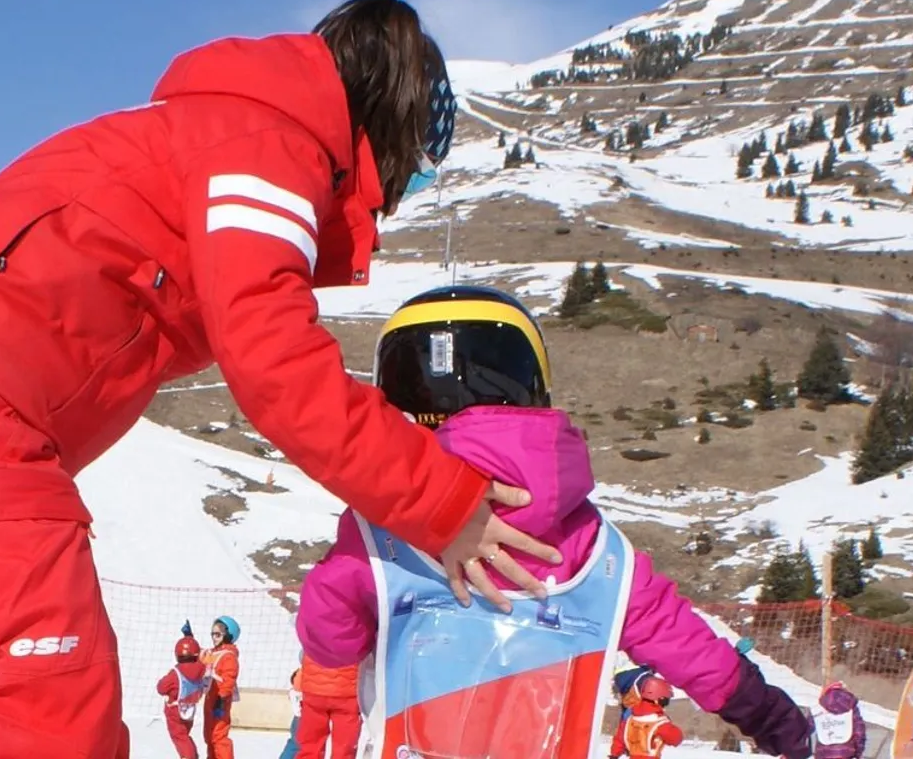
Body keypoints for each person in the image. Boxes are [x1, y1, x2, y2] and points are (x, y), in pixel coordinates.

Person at [0, 0, 557, 754]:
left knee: (35, 721)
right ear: (391, 128)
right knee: (57, 733)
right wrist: (442, 500)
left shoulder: (228, 133)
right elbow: (275, 364)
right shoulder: (265, 144)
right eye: (416, 170)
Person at [295, 286, 816, 759]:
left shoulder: (381, 529)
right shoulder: (595, 547)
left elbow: (328, 623)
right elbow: (678, 639)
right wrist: (769, 715)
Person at [292, 654, 360, 759]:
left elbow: (303, 653)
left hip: (314, 690)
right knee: (344, 747)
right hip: (346, 692)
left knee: (310, 745)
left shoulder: (314, 636)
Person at [155, 628, 209, 759]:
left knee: (179, 736)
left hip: (174, 711)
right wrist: (191, 638)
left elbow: (161, 688)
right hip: (189, 709)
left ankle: (188, 756)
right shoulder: (201, 668)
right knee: (185, 734)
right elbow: (200, 655)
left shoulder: (175, 674)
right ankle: (192, 754)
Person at [609, 670, 683, 759]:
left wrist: (614, 754)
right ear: (659, 699)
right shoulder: (659, 722)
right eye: (665, 701)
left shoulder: (630, 718)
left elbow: (619, 739)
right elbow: (676, 739)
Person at [201, 618, 242, 759]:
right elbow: (201, 658)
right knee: (209, 734)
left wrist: (222, 698)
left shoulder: (229, 656)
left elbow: (229, 678)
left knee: (219, 736)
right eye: (212, 634)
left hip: (220, 701)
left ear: (228, 636)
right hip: (210, 699)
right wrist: (189, 638)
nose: (214, 638)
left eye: (218, 635)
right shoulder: (215, 653)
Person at [813, 680, 866, 759]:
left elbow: (807, 731)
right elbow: (859, 732)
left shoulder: (819, 709)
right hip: (847, 753)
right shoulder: (851, 709)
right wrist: (858, 752)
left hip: (823, 754)